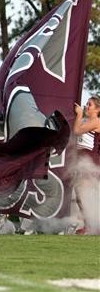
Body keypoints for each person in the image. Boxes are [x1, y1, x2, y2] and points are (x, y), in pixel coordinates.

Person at [72, 96, 100, 235]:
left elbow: (76, 131)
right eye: (87, 104)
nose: (86, 106)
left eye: (90, 105)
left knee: (85, 194)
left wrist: (79, 114)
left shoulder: (96, 121)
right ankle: (90, 225)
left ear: (98, 109)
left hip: (91, 163)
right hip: (82, 162)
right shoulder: (85, 121)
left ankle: (91, 227)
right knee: (80, 195)